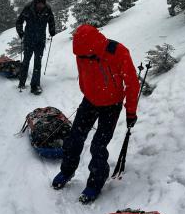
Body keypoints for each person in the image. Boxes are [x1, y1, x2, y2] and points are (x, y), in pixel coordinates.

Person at [52, 24, 140, 204]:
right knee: (74, 137)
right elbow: (84, 74)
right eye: (80, 56)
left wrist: (130, 112)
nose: (83, 59)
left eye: (86, 55)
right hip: (90, 101)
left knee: (98, 146)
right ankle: (67, 171)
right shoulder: (82, 52)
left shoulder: (118, 52)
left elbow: (132, 84)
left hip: (112, 105)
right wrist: (87, 91)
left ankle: (95, 182)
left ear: (95, 47)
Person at [15, 0, 56, 94]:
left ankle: (35, 85)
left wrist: (52, 30)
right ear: (35, 2)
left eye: (42, 4)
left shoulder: (47, 9)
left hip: (40, 41)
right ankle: (22, 82)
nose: (40, 6)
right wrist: (21, 34)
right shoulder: (28, 8)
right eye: (39, 4)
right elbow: (19, 22)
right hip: (28, 39)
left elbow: (51, 21)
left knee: (37, 63)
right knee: (26, 62)